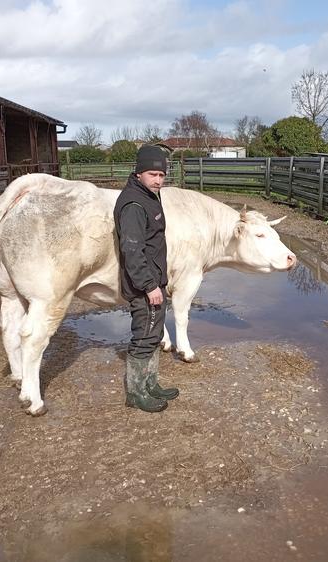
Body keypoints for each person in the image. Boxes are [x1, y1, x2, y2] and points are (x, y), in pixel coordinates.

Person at [113, 145, 179, 413]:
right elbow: (132, 249)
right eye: (153, 174)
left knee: (153, 336)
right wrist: (150, 286)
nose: (158, 180)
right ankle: (136, 393)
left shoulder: (149, 195)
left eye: (162, 175)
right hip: (144, 287)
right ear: (139, 172)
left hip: (154, 281)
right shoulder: (133, 204)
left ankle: (150, 384)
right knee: (143, 337)